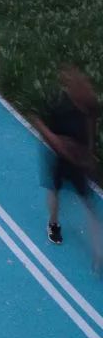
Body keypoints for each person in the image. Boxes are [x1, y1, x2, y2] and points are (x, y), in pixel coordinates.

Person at [31, 65, 101, 266]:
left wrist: (89, 150)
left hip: (77, 157)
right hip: (58, 155)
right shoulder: (58, 104)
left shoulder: (90, 104)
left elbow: (91, 124)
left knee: (88, 201)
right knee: (55, 189)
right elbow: (38, 121)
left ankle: (99, 253)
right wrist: (56, 142)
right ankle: (53, 224)